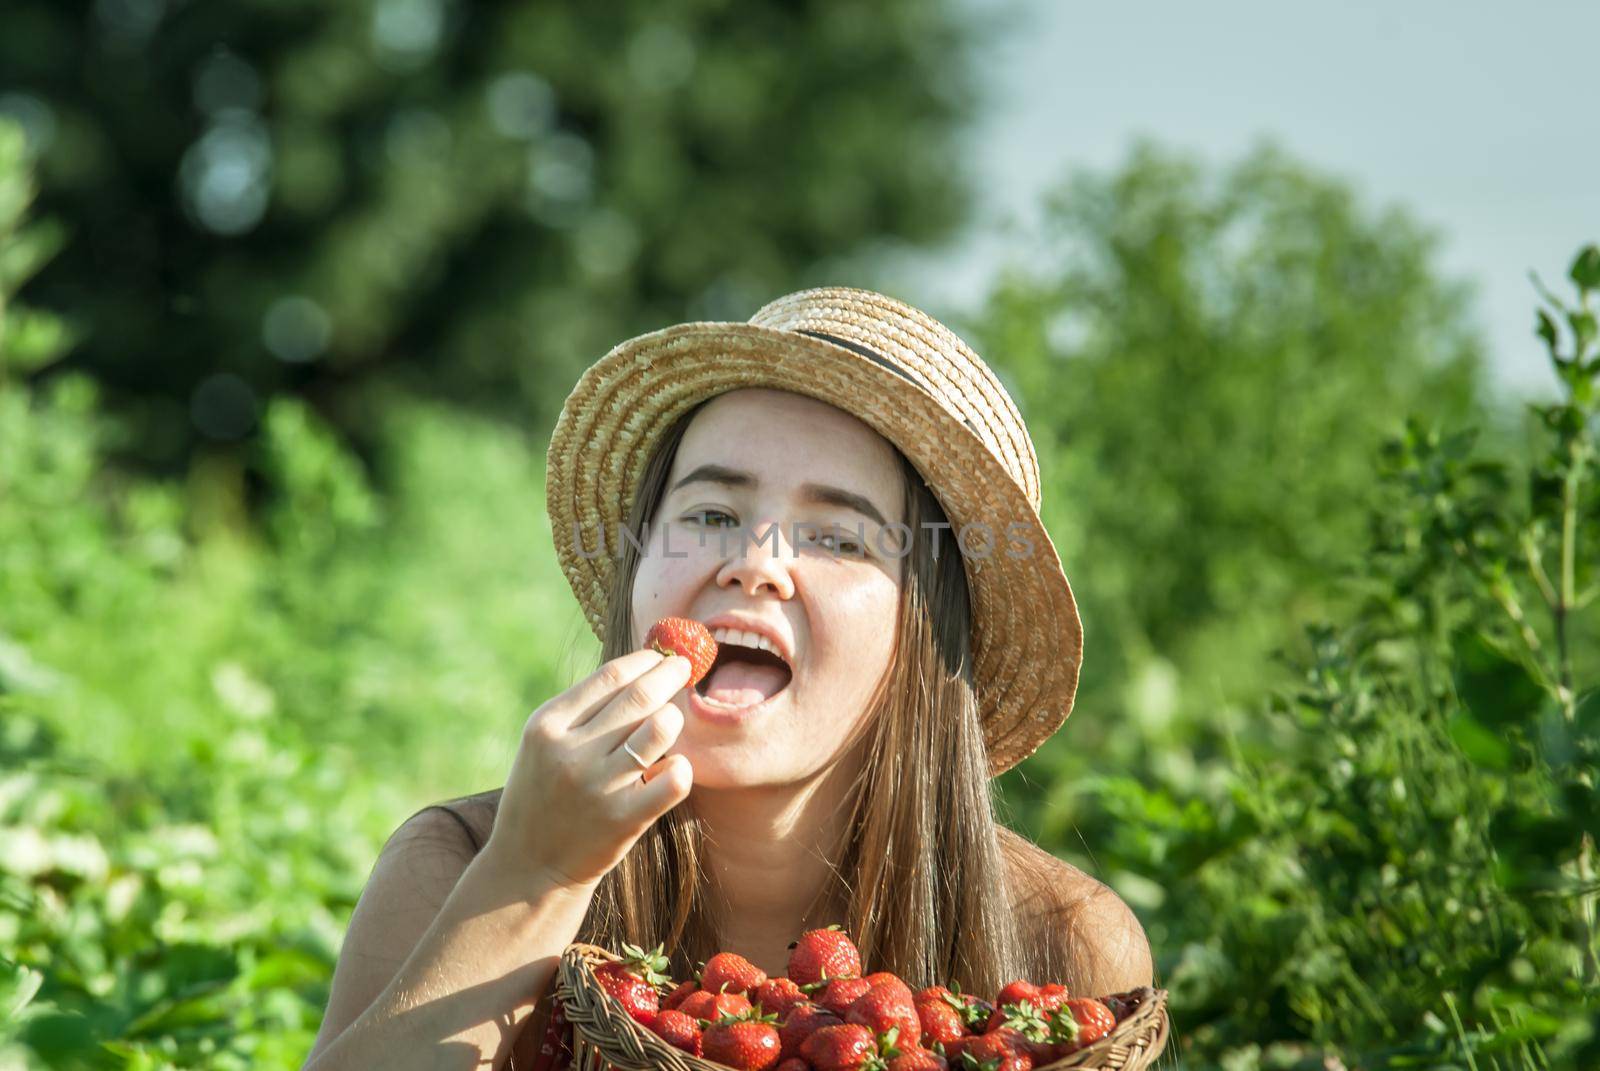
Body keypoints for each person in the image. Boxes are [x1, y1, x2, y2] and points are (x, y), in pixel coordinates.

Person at [302, 288, 1155, 1070]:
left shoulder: (1064, 945)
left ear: (925, 639)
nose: (755, 564)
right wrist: (532, 878)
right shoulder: (456, 867)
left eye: (839, 537)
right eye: (711, 514)